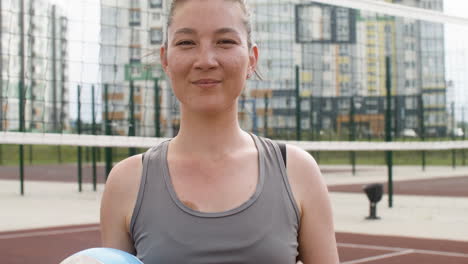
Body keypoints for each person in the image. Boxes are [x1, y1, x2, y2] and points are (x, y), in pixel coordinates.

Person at [100, 0, 340, 263]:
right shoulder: (126, 183)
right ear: (165, 60)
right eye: (186, 43)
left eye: (225, 41)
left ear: (252, 59)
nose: (206, 60)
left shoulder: (297, 171)